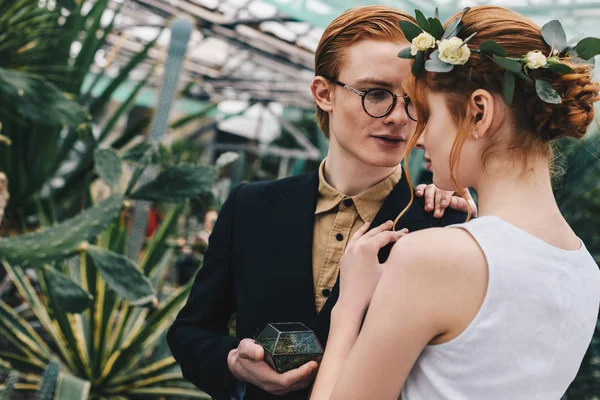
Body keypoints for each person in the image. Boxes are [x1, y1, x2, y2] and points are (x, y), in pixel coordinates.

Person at [167, 6, 475, 400]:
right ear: (324, 93)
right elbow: (190, 331)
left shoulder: (443, 221)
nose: (400, 117)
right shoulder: (250, 207)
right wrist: (233, 361)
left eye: (414, 99)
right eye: (376, 94)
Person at [309, 6, 600, 400]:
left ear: (479, 113)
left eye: (426, 114)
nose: (418, 135)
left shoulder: (433, 257)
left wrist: (349, 308)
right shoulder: (584, 270)